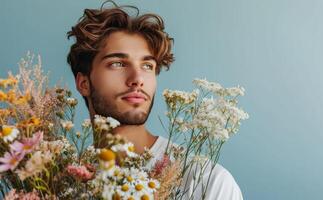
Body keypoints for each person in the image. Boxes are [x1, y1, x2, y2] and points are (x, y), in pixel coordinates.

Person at [67, 2, 243, 199]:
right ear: (83, 83)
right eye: (117, 63)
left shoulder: (207, 182)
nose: (137, 79)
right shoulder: (62, 180)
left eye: (147, 66)